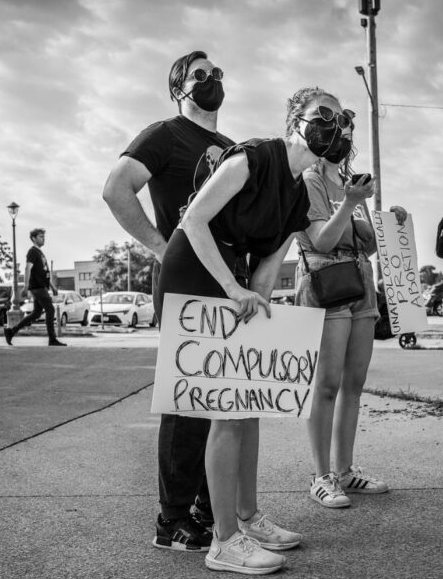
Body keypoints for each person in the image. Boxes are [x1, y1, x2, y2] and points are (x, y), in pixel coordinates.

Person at [159, 85, 351, 575]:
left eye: (339, 116)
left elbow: (269, 262)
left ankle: (248, 518)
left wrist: (258, 302)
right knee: (225, 407)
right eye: (320, 113)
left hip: (236, 277)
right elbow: (194, 221)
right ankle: (223, 542)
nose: (332, 123)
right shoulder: (254, 156)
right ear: (295, 118)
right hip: (195, 266)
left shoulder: (299, 188)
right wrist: (230, 287)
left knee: (248, 403)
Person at [103, 50, 234, 554]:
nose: (211, 80)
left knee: (222, 398)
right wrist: (163, 247)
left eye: (216, 73)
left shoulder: (231, 146)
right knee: (189, 403)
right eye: (200, 75)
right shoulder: (163, 134)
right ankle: (172, 521)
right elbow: (117, 189)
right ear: (179, 87)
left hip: (228, 282)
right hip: (186, 281)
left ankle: (208, 508)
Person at [294, 130, 408, 508]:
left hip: (360, 283)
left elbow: (367, 243)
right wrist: (350, 202)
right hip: (326, 284)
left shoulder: (348, 183)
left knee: (353, 384)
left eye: (345, 129)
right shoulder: (308, 180)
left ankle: (344, 471)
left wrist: (391, 224)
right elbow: (321, 240)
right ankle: (320, 475)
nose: (340, 137)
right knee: (326, 385)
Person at [4, 228, 64, 346]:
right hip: (37, 287)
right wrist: (26, 286)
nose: (43, 239)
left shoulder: (40, 252)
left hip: (42, 286)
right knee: (50, 309)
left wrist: (52, 286)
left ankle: (11, 331)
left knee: (36, 313)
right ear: (34, 238)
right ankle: (52, 339)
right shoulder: (32, 251)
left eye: (44, 237)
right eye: (41, 237)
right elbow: (27, 268)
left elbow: (45, 272)